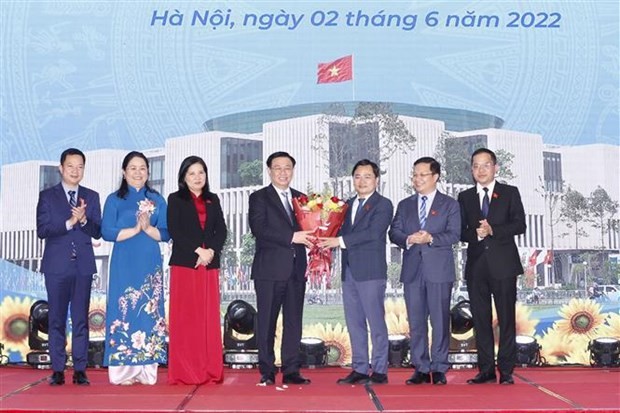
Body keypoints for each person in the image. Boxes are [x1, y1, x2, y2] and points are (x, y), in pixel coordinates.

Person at [319, 159, 393, 385]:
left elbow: (372, 233)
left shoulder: (383, 204)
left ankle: (379, 370)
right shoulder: (346, 205)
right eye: (358, 177)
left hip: (371, 272)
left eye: (367, 176)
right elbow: (333, 229)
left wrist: (338, 241)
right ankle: (360, 368)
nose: (362, 181)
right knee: (354, 322)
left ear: (376, 180)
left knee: (375, 322)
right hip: (349, 272)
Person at [389, 157, 460, 385]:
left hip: (439, 270)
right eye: (414, 175)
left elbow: (454, 235)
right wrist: (408, 239)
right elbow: (394, 232)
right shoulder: (405, 204)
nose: (417, 179)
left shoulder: (449, 204)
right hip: (412, 270)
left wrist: (431, 238)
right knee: (416, 322)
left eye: (422, 175)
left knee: (439, 321)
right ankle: (420, 367)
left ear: (435, 176)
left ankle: (439, 367)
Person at [457, 148, 526, 385]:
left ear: (495, 167)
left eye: (485, 165)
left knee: (506, 318)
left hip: (504, 265)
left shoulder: (509, 193)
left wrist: (493, 230)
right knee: (480, 319)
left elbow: (520, 225)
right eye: (475, 166)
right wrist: (475, 235)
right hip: (477, 267)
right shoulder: (465, 197)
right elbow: (460, 231)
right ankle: (485, 369)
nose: (480, 170)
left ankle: (506, 370)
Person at [101, 151, 169, 385]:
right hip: (124, 260)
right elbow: (106, 231)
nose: (138, 172)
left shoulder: (157, 199)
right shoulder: (114, 199)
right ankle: (122, 372)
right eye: (133, 168)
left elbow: (168, 232)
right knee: (124, 309)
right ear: (124, 172)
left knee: (150, 309)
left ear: (148, 172)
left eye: (142, 168)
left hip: (149, 261)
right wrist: (134, 230)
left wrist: (149, 229)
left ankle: (147, 371)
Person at [36, 148, 102, 386]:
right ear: (61, 168)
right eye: (71, 166)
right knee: (56, 319)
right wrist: (70, 222)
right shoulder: (47, 197)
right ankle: (57, 368)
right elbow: (42, 230)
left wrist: (83, 220)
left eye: (80, 167)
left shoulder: (91, 197)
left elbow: (97, 231)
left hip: (83, 266)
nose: (75, 171)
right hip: (56, 267)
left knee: (81, 319)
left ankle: (81, 369)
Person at [248, 151, 313, 386]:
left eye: (288, 168)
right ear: (269, 171)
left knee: (294, 321)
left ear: (293, 171)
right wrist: (292, 236)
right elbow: (259, 229)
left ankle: (292, 369)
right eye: (278, 168)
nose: (283, 172)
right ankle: (266, 370)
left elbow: (311, 229)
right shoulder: (259, 198)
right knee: (266, 321)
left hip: (297, 269)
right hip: (269, 270)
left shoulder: (303, 199)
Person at [167, 156, 227, 384]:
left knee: (207, 319)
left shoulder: (213, 199)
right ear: (184, 177)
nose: (197, 177)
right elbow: (175, 230)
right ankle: (185, 371)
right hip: (185, 265)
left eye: (201, 172)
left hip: (209, 265)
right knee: (186, 319)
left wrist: (210, 251)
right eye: (191, 173)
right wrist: (197, 251)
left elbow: (221, 229)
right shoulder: (175, 199)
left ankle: (209, 369)